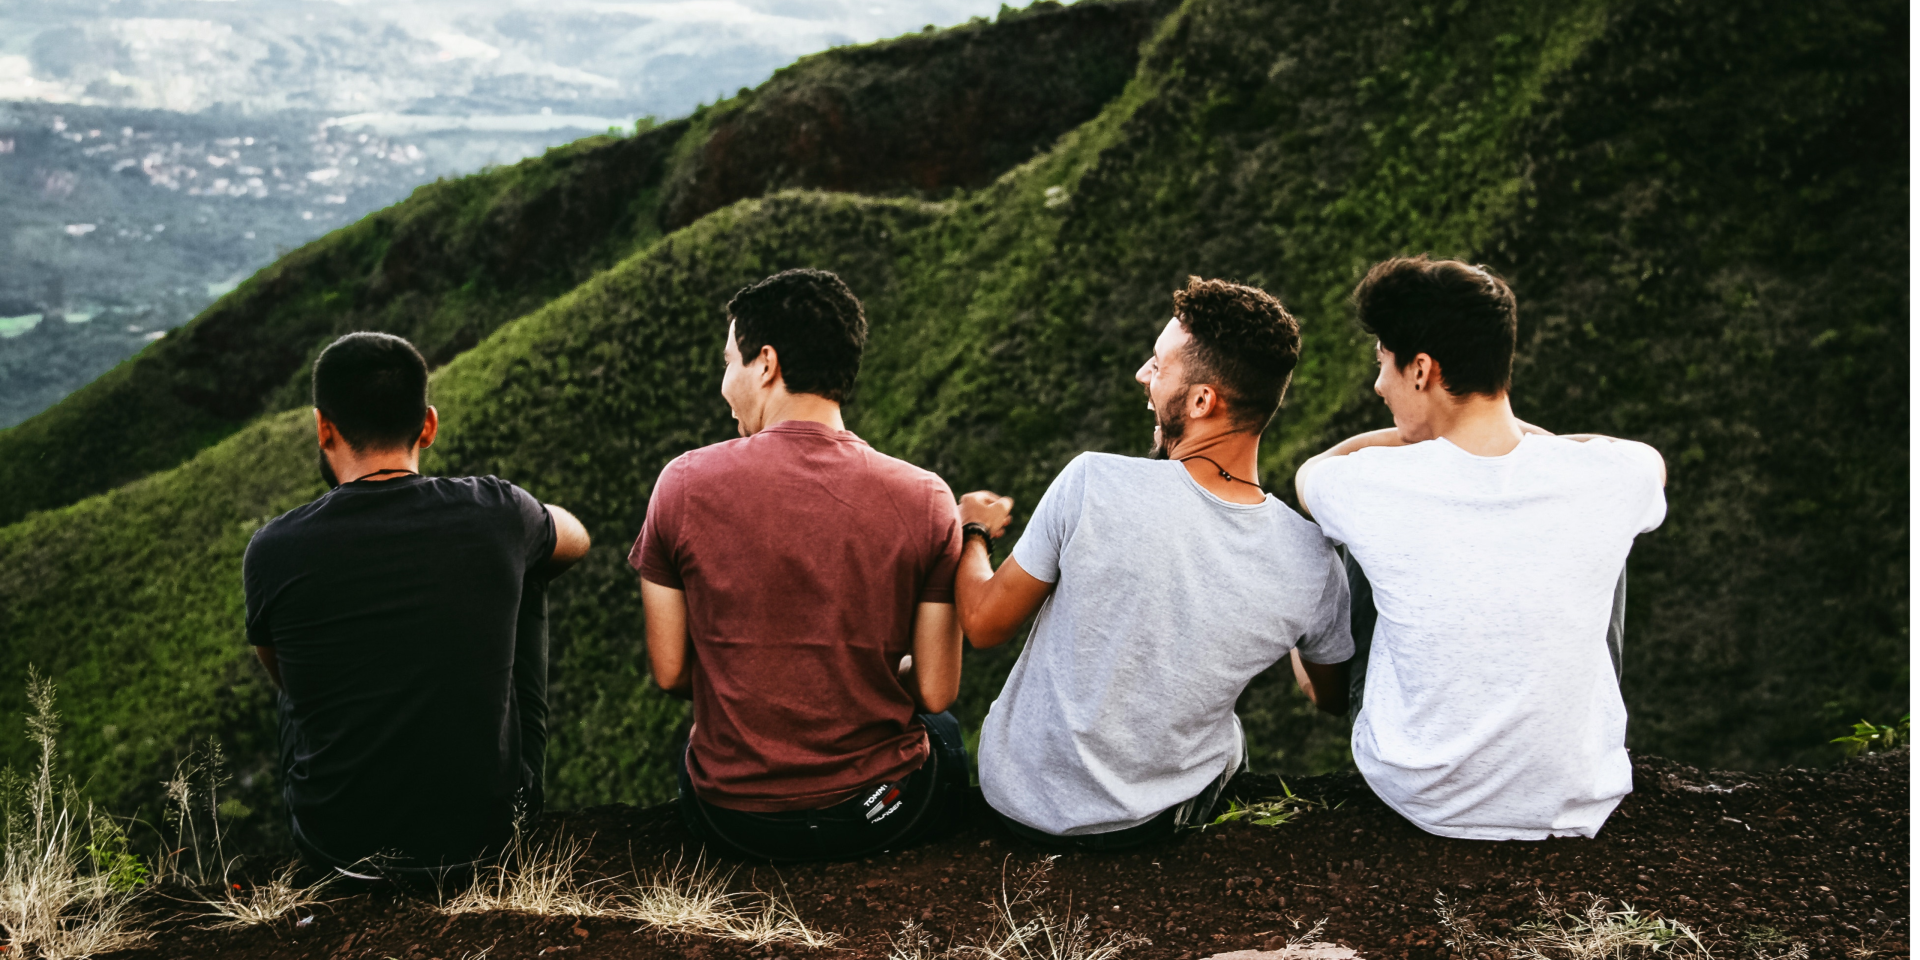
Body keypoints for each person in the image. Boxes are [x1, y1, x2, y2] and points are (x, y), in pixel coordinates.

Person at [954, 276, 1354, 850]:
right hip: (1151, 825)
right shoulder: (1313, 561)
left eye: (1158, 365)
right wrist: (1280, 611)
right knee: (1230, 738)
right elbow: (1329, 697)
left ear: (1201, 401)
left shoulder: (1092, 481)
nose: (1143, 375)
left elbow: (983, 624)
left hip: (1017, 803)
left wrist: (973, 531)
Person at [1294, 255, 1667, 842]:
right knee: (1602, 533)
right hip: (1574, 796)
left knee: (1353, 540)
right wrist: (1529, 442)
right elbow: (1644, 460)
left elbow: (1312, 474)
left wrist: (1409, 439)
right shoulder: (1612, 477)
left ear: (1421, 369)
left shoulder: (1369, 482)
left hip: (1421, 793)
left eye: (1383, 365)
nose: (1378, 386)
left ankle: (1331, 695)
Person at [632, 268, 970, 862]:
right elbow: (937, 690)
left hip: (733, 820)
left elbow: (671, 672)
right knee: (942, 734)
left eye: (728, 363)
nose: (724, 384)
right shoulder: (927, 497)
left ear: (766, 363)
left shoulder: (682, 483)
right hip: (876, 814)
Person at [243, 332, 591, 879]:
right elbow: (577, 539)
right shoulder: (497, 510)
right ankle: (506, 789)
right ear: (428, 425)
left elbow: (288, 680)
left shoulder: (272, 549)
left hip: (336, 844)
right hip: (486, 836)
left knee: (300, 659)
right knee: (531, 567)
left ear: (322, 427)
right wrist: (517, 528)